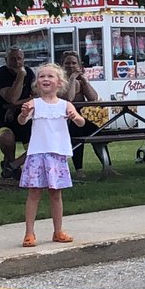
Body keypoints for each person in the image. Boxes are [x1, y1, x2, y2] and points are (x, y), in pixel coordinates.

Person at [17, 63, 83, 246]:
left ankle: (58, 230)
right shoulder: (33, 104)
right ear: (36, 83)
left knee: (56, 194)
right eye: (42, 76)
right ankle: (29, 233)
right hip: (37, 153)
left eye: (50, 76)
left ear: (60, 82)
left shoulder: (65, 105)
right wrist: (24, 114)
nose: (45, 79)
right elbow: (21, 122)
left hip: (57, 154)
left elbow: (81, 122)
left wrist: (75, 117)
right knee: (34, 193)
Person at [60, 50, 116, 180]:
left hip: (78, 119)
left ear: (80, 66)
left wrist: (84, 82)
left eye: (74, 63)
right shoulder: (58, 82)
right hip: (62, 121)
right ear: (61, 66)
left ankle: (108, 166)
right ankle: (79, 169)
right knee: (77, 133)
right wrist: (72, 78)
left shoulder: (80, 81)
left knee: (97, 132)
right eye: (67, 63)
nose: (71, 66)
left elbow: (94, 99)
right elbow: (69, 99)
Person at [0, 46, 34, 179]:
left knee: (39, 143)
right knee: (7, 138)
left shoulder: (30, 73)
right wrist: (20, 76)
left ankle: (12, 166)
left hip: (22, 116)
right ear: (6, 60)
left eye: (19, 59)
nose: (17, 62)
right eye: (12, 59)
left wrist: (14, 107)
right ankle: (12, 167)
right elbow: (12, 98)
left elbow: (37, 97)